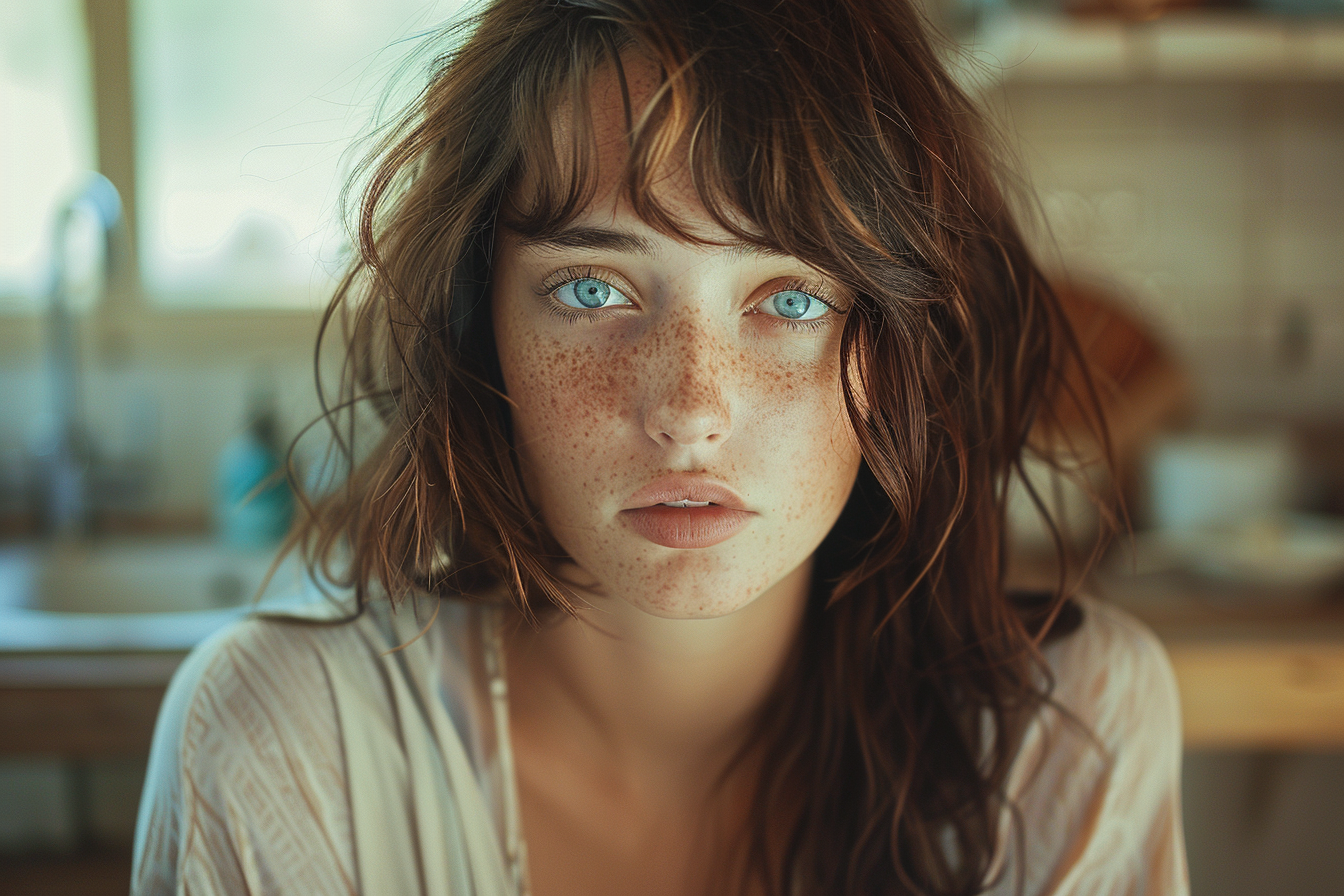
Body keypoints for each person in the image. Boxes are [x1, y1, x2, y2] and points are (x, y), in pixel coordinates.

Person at [132, 1, 1189, 893]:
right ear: (477, 325)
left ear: (910, 344)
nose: (689, 409)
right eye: (591, 289)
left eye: (790, 296)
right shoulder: (285, 747)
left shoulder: (1067, 738)